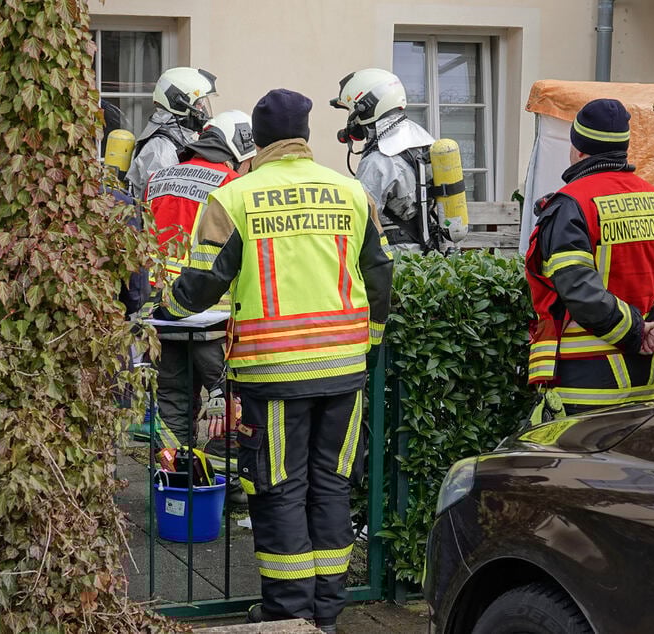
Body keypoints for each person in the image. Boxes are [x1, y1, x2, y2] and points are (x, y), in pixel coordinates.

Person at [153, 89, 394, 632]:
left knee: (278, 489)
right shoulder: (351, 192)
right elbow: (380, 274)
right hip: (344, 369)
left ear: (256, 141)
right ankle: (326, 615)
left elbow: (200, 283)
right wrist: (370, 339)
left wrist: (164, 306)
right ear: (305, 135)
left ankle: (288, 617)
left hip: (273, 371)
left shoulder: (237, 197)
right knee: (331, 484)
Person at [525, 98, 654, 423]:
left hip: (582, 386)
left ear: (578, 149)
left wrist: (636, 333)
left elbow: (579, 290)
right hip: (645, 385)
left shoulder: (571, 206)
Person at [145, 110, 257, 461]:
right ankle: (229, 491)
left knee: (171, 410)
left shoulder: (157, 179)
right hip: (213, 322)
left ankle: (176, 487)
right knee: (237, 413)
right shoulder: (231, 185)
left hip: (161, 318)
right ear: (238, 147)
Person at [330, 68, 437, 254]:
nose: (350, 121)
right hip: (428, 251)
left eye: (351, 112)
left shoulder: (379, 161)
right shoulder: (424, 141)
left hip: (398, 257)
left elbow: (360, 219)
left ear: (365, 109)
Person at [125, 66, 218, 198]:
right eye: (199, 103)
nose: (202, 109)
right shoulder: (161, 149)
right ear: (179, 103)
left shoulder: (179, 138)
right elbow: (161, 202)